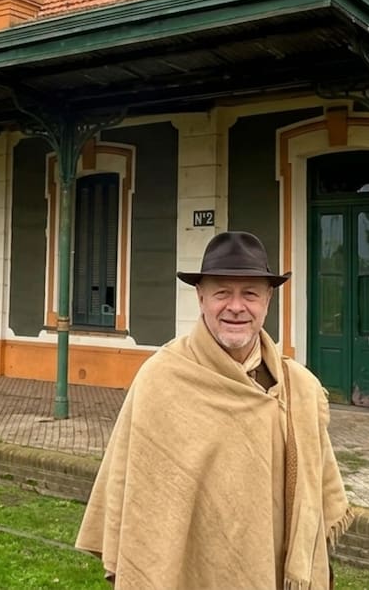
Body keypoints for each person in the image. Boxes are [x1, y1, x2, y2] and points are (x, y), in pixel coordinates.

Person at [76, 231, 351, 589]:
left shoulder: (298, 388)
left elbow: (316, 497)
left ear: (268, 301)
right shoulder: (162, 380)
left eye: (250, 294)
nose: (236, 307)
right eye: (222, 292)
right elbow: (134, 496)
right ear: (201, 297)